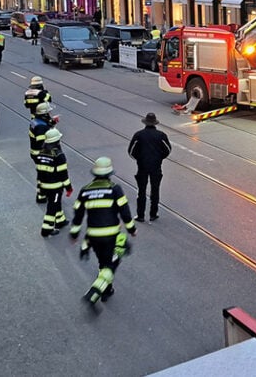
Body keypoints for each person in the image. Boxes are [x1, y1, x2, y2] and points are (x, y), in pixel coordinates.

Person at [69, 157, 138, 306]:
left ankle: (107, 290)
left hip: (93, 236)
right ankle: (95, 290)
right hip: (111, 235)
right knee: (113, 262)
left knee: (103, 262)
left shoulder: (85, 191)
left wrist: (74, 235)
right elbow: (125, 212)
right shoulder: (115, 189)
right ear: (109, 173)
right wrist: (132, 229)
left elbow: (78, 215)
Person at [127, 112, 172, 222]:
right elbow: (168, 149)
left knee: (141, 191)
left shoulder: (138, 135)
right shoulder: (161, 135)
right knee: (155, 190)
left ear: (145, 123)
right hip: (156, 167)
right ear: (155, 123)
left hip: (142, 167)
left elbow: (131, 151)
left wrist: (139, 159)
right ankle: (153, 214)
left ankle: (140, 215)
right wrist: (159, 158)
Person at [35, 128, 72, 237]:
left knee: (56, 203)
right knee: (52, 206)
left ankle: (60, 221)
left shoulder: (41, 153)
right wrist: (68, 188)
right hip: (55, 187)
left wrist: (40, 188)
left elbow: (39, 171)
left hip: (43, 185)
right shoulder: (59, 155)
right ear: (57, 141)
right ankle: (47, 229)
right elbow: (63, 174)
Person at [29, 101, 59, 203]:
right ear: (44, 114)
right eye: (48, 113)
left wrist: (51, 123)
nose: (50, 114)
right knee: (46, 175)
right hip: (40, 154)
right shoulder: (41, 127)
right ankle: (43, 195)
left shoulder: (35, 121)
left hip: (35, 153)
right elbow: (43, 142)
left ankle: (41, 194)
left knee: (42, 174)